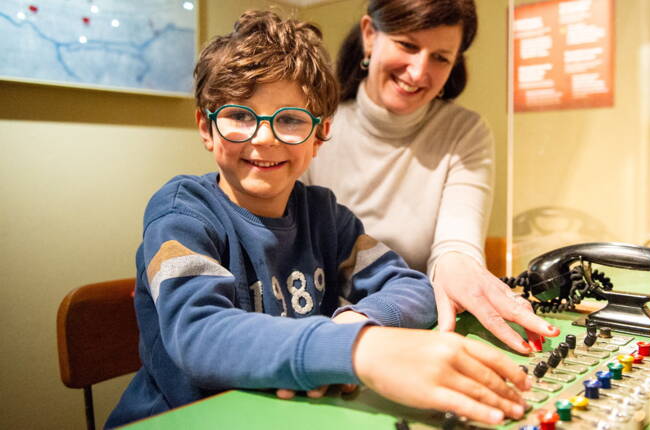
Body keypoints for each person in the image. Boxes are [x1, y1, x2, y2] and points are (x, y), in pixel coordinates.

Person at [106, 10, 530, 428]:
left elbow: (411, 285)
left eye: (290, 120)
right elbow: (197, 333)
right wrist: (356, 349)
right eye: (239, 116)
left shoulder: (326, 217)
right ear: (206, 126)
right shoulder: (182, 213)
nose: (264, 137)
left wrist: (359, 320)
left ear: (322, 134)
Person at [302, 0, 559, 355]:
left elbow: (456, 245)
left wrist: (462, 268)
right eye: (408, 45)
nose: (419, 72)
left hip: (414, 323)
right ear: (369, 35)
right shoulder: (310, 125)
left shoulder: (464, 131)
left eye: (441, 57)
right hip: (325, 331)